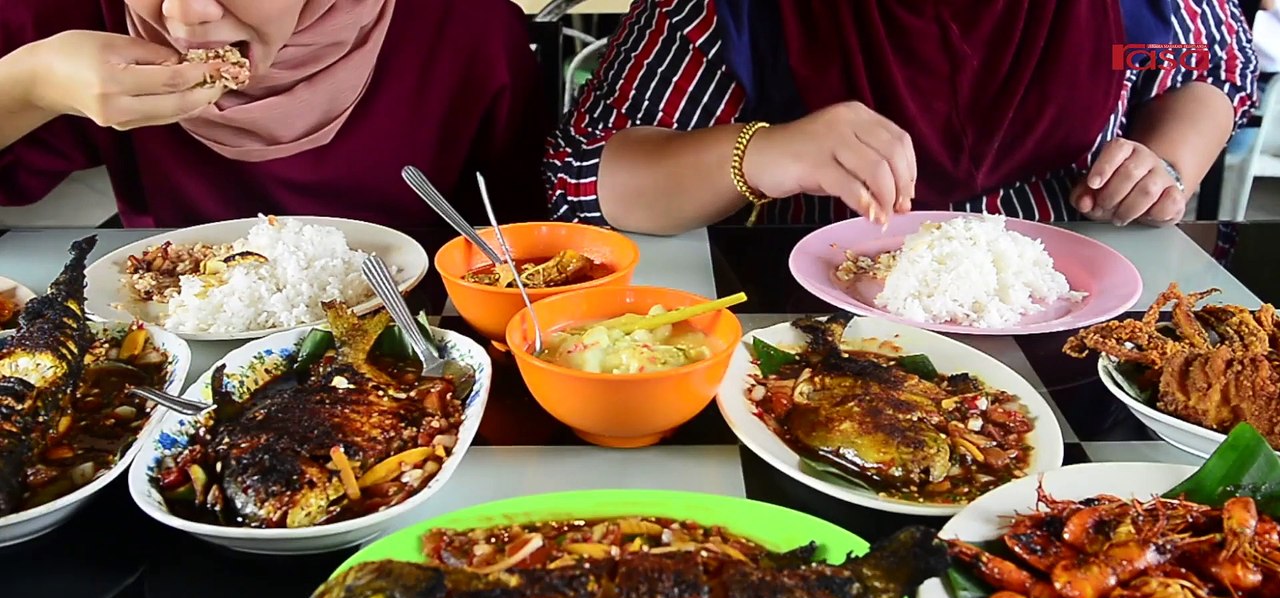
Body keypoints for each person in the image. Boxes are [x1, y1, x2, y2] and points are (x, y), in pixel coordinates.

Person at [545, 0, 1258, 235]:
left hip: (1079, 329)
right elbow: (590, 181)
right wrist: (766, 153)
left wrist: (1163, 162)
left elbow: (1214, 67)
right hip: (812, 340)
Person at [0, 0, 549, 229]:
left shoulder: (467, 27)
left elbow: (524, 234)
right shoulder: (67, 18)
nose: (184, 15)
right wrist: (29, 83)